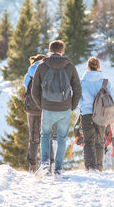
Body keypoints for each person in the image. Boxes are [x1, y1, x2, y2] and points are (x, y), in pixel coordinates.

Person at [31, 40, 82, 177]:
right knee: (62, 138)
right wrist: (72, 106)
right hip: (64, 108)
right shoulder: (69, 66)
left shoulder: (42, 66)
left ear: (49, 50)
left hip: (47, 107)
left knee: (45, 135)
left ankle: (45, 162)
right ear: (62, 51)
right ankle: (58, 169)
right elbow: (77, 88)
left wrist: (41, 105)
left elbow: (34, 89)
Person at [80, 57, 114, 172]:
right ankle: (99, 167)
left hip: (86, 114)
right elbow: (113, 100)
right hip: (102, 115)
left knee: (88, 142)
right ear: (99, 67)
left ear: (88, 67)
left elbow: (76, 98)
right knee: (99, 142)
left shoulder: (81, 82)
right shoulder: (105, 82)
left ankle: (89, 167)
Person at [23, 54, 56, 173]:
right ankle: (48, 165)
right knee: (47, 137)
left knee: (33, 137)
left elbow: (26, 87)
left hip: (32, 108)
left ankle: (32, 165)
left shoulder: (30, 72)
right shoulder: (49, 70)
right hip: (46, 108)